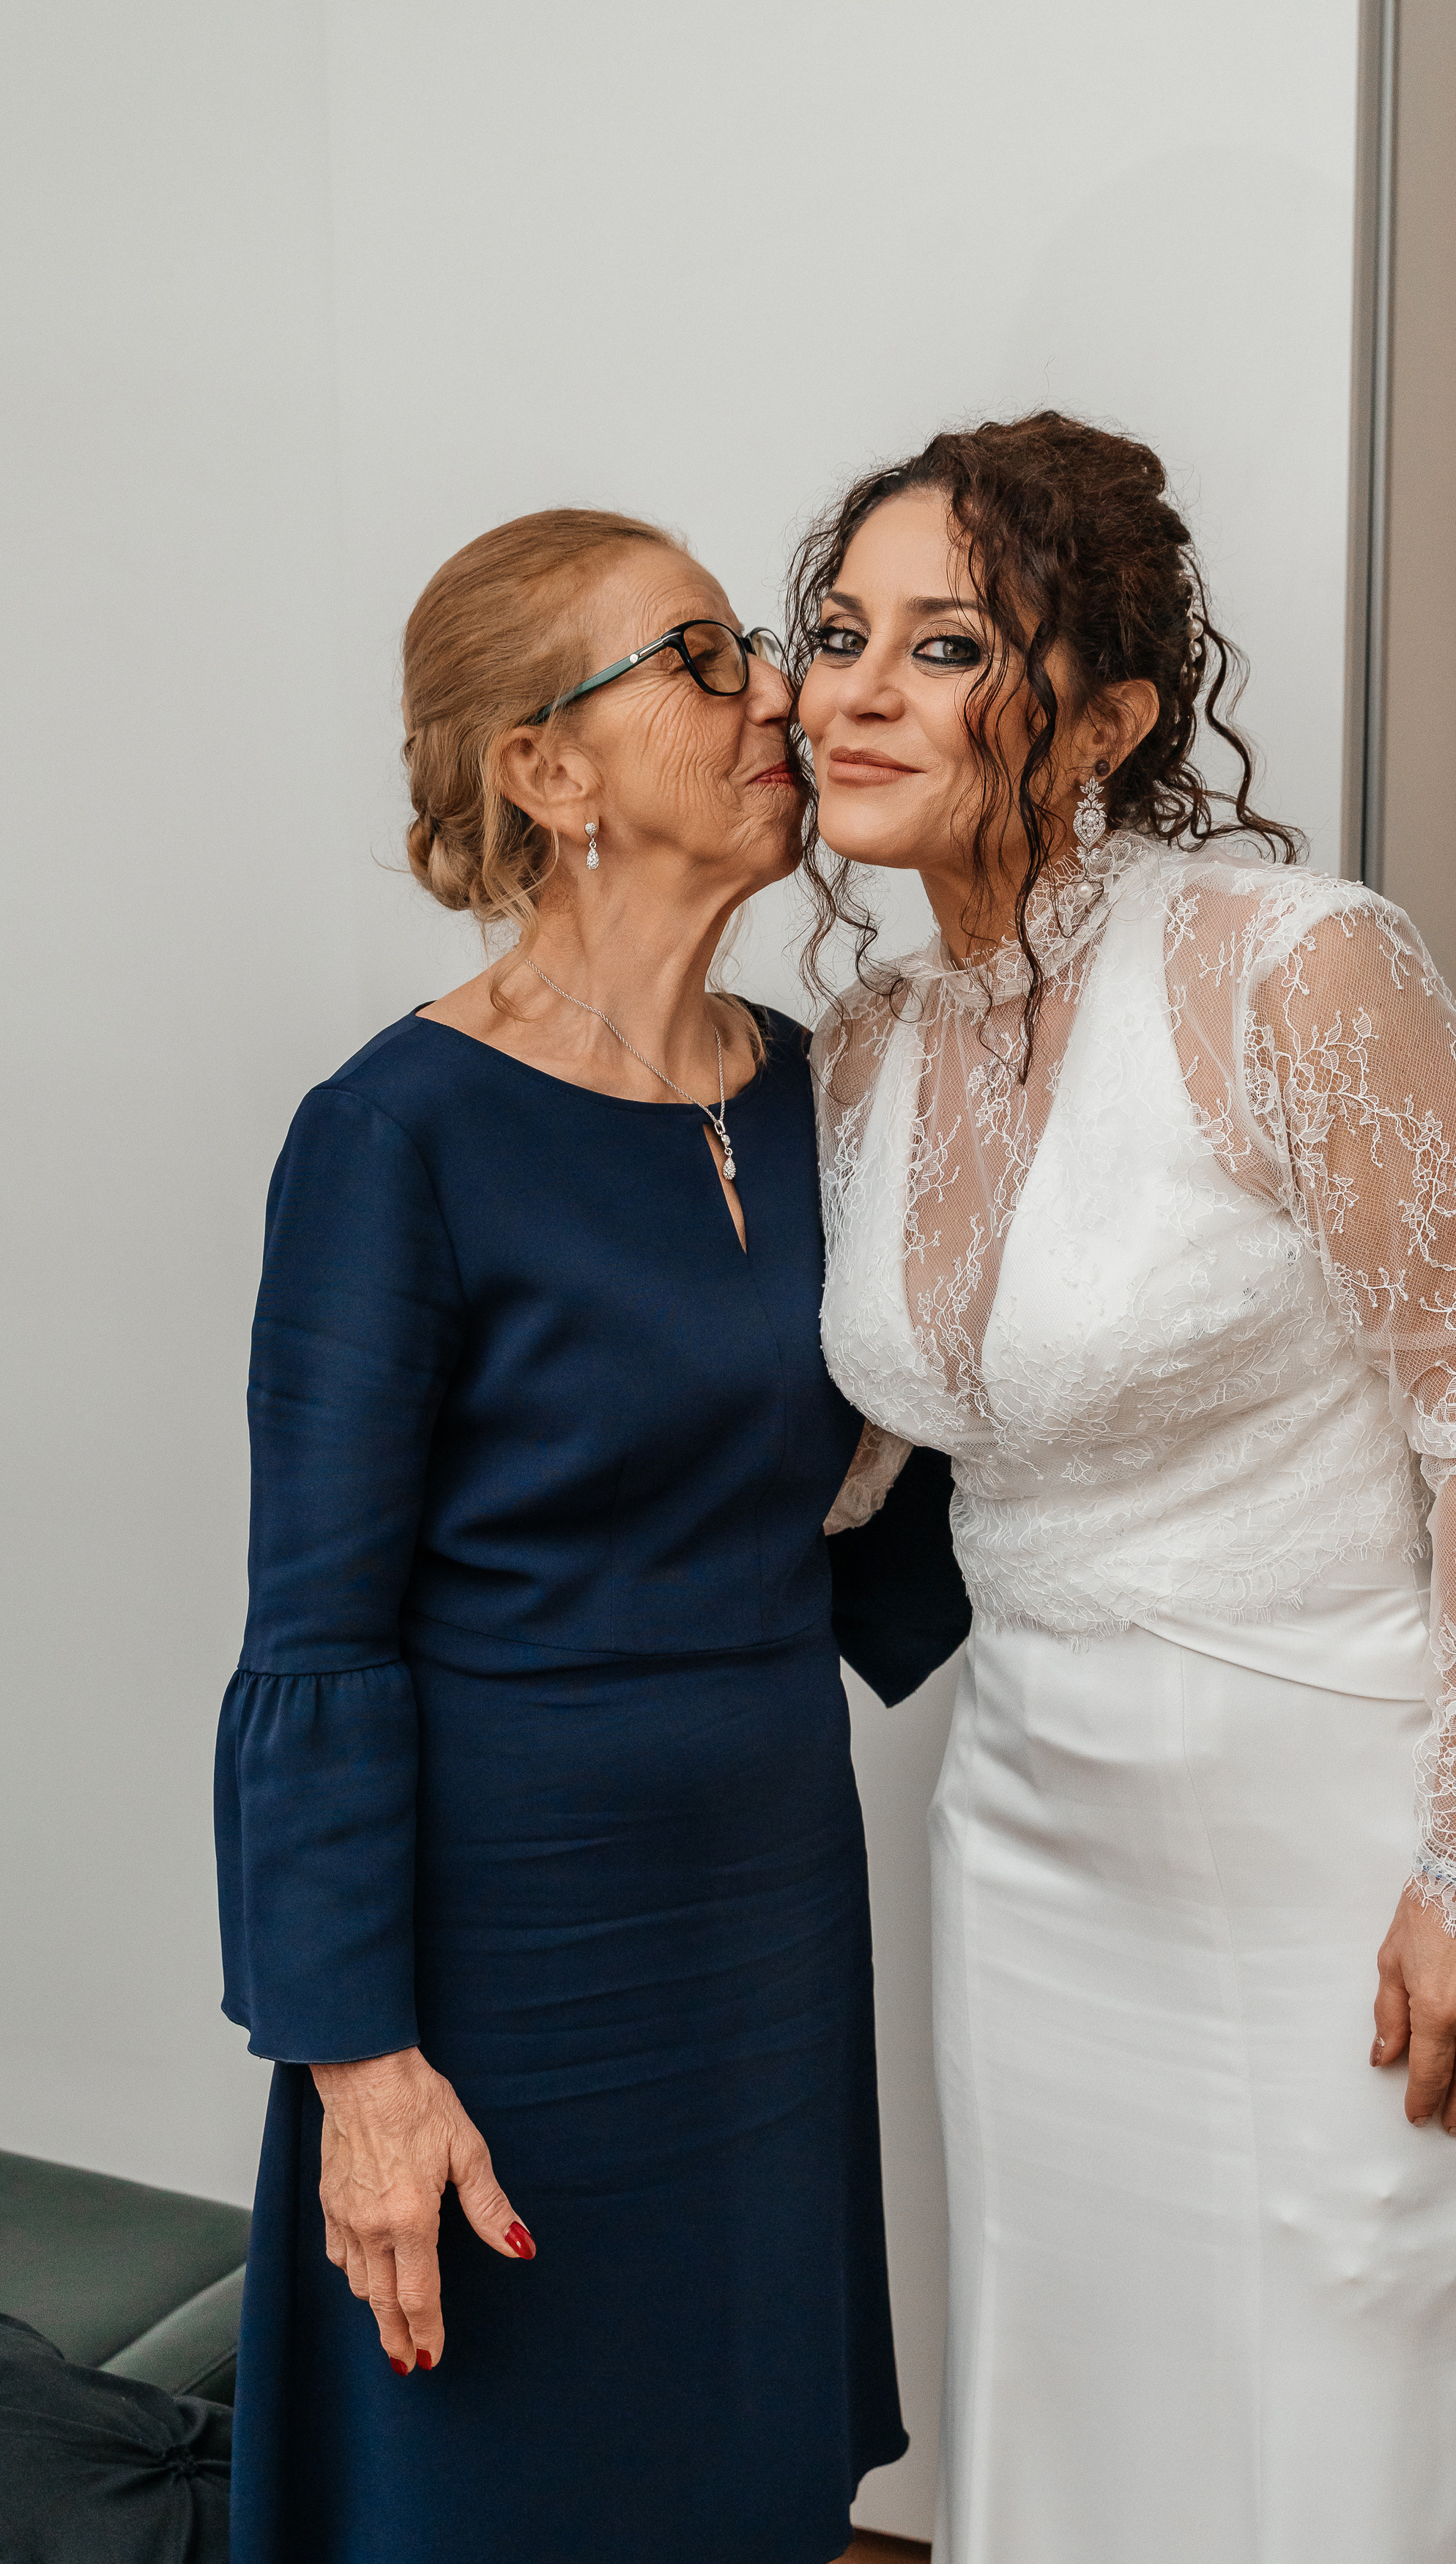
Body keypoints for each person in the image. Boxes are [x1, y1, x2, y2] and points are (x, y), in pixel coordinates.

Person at [791, 414, 1456, 2564]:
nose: (854, 688)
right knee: (1069, 2362)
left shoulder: (1295, 967)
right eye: (836, 630)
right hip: (1033, 1823)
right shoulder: (867, 1046)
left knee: (1365, 2373)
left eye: (944, 642)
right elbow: (874, 1438)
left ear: (1112, 715)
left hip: (1335, 1822)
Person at [214, 508, 963, 2564]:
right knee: (493, 2490)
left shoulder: (824, 1090)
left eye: (759, 652)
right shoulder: (397, 1134)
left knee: (739, 2469)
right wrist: (356, 2066)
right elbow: (315, 1640)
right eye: (705, 659)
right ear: (546, 774)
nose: (780, 698)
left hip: (766, 1915)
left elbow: (932, 1469)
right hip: (511, 1950)